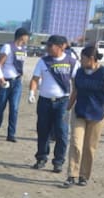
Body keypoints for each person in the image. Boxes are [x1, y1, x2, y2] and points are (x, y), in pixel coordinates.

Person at [63, 45, 104, 187]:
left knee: (90, 147)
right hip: (79, 112)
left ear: (91, 58)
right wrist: (67, 110)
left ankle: (84, 176)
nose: (81, 61)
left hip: (98, 114)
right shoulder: (79, 72)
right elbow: (75, 91)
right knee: (75, 143)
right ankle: (72, 175)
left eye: (83, 58)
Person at [27, 35, 77, 173]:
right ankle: (41, 158)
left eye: (50, 46)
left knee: (61, 132)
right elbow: (35, 79)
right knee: (43, 130)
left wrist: (71, 102)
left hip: (63, 101)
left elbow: (76, 84)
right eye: (47, 46)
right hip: (44, 101)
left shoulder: (72, 62)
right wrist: (32, 92)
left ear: (61, 46)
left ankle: (58, 161)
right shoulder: (43, 61)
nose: (47, 48)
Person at [0, 27, 30, 142]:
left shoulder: (24, 49)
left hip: (17, 81)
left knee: (14, 108)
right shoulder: (8, 47)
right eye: (27, 36)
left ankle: (11, 134)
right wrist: (0, 79)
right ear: (22, 36)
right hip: (5, 81)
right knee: (1, 107)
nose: (28, 38)